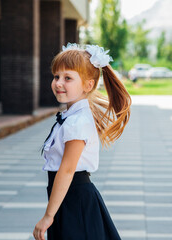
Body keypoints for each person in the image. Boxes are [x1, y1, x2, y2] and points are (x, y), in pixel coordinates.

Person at [33, 43, 131, 240]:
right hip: (67, 198)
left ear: (88, 85)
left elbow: (67, 170)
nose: (59, 83)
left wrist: (48, 216)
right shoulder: (73, 117)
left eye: (67, 78)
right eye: (56, 76)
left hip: (75, 200)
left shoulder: (77, 122)